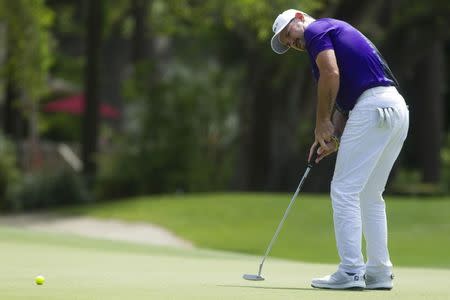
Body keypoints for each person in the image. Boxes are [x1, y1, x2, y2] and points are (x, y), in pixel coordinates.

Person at [270, 9, 409, 290]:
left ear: (299, 18)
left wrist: (321, 123)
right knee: (370, 194)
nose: (290, 42)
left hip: (373, 108)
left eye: (288, 33)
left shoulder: (316, 29)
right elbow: (345, 97)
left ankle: (350, 271)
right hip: (395, 109)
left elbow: (330, 74)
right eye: (286, 43)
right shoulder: (332, 34)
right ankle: (379, 272)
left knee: (344, 190)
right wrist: (331, 136)